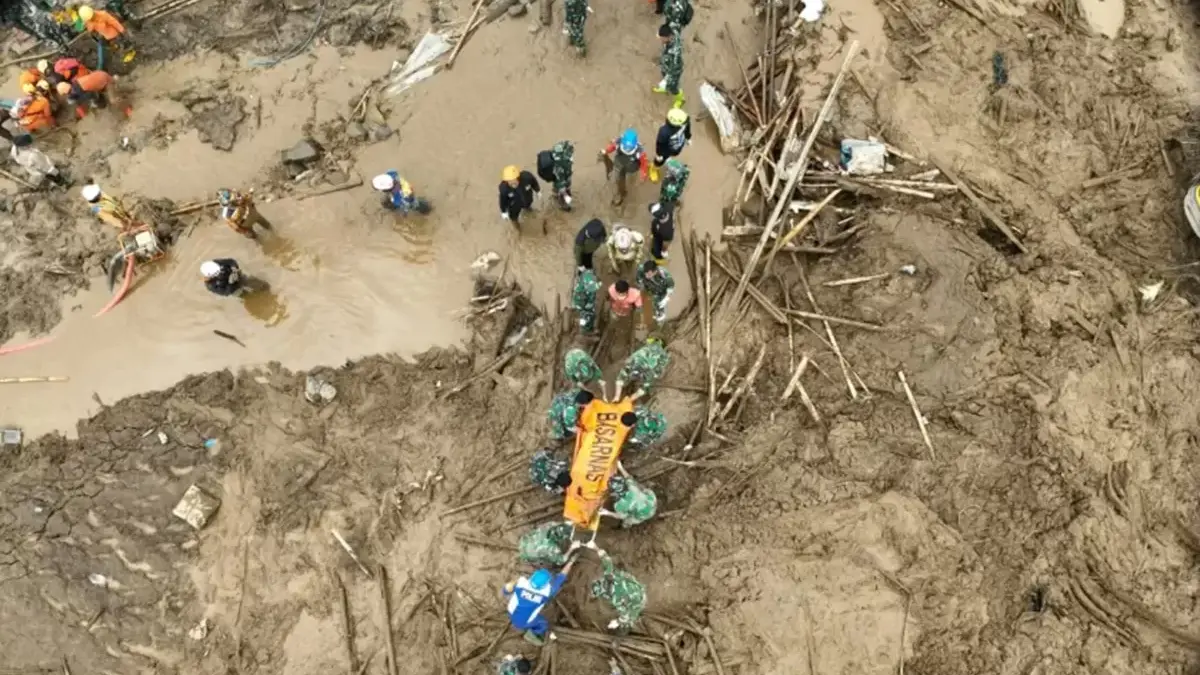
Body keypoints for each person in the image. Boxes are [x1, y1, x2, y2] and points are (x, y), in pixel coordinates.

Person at [503, 563, 575, 645]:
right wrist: (570, 563)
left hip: (511, 612)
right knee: (544, 624)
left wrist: (509, 588)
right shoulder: (546, 593)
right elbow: (561, 577)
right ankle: (533, 633)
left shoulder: (522, 583)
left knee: (513, 595)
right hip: (525, 622)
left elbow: (506, 590)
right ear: (545, 585)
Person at [589, 554, 647, 633]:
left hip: (638, 600)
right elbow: (607, 560)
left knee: (628, 622)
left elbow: (625, 615)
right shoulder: (611, 576)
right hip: (637, 586)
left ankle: (627, 631)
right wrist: (595, 548)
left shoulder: (616, 600)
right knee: (621, 574)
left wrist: (617, 622)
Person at [599, 129, 648, 207]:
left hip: (632, 165)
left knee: (632, 175)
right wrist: (606, 151)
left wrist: (643, 174)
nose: (627, 149)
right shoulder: (619, 142)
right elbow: (612, 147)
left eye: (629, 148)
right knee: (619, 177)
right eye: (626, 147)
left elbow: (644, 164)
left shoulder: (640, 151)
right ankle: (621, 190)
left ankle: (627, 180)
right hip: (619, 162)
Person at [79, 5, 133, 70]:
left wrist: (122, 30)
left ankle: (128, 56)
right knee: (112, 49)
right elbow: (90, 29)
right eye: (90, 19)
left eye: (92, 17)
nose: (91, 19)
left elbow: (114, 22)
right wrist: (92, 33)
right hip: (105, 37)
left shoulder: (103, 14)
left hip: (114, 35)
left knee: (121, 46)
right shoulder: (88, 21)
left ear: (93, 12)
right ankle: (120, 55)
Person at [653, 108, 691, 182]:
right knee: (660, 160)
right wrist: (659, 154)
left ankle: (667, 158)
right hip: (667, 149)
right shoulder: (664, 132)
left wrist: (688, 137)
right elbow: (660, 144)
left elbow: (688, 127)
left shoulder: (685, 121)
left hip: (678, 145)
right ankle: (654, 168)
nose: (686, 122)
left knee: (674, 153)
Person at [535, 141, 574, 211]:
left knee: (559, 187)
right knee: (563, 191)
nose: (571, 157)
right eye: (569, 157)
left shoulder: (561, 148)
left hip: (559, 176)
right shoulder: (559, 168)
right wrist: (566, 195)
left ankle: (555, 194)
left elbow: (567, 143)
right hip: (560, 178)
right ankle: (563, 205)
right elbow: (561, 184)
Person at [499, 165, 540, 229]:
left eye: (514, 180)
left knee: (528, 205)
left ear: (518, 177)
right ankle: (517, 228)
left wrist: (537, 191)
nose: (512, 183)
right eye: (509, 181)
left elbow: (534, 182)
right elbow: (502, 201)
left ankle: (528, 209)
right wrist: (504, 211)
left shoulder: (527, 178)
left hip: (527, 199)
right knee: (513, 217)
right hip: (514, 205)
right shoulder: (504, 189)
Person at [654, 24, 684, 107]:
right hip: (666, 65)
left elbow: (674, 68)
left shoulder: (674, 52)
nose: (660, 40)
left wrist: (667, 80)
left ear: (668, 37)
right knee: (663, 73)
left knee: (673, 86)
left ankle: (680, 99)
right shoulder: (672, 31)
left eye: (662, 38)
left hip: (674, 70)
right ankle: (665, 88)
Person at [572, 268, 602, 334]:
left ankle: (586, 326)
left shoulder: (588, 278)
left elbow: (596, 285)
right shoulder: (580, 295)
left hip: (587, 299)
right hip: (582, 303)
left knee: (589, 314)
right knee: (585, 315)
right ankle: (585, 329)